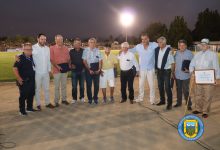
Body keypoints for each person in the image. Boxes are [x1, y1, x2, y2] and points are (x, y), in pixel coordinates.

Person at [189, 38, 220, 118]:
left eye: (205, 44)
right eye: (202, 44)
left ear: (208, 45)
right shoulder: (197, 54)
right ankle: (198, 109)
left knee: (207, 95)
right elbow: (192, 64)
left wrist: (217, 78)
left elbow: (216, 67)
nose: (203, 46)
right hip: (198, 78)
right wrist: (192, 71)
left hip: (209, 79)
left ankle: (205, 111)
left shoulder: (213, 54)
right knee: (198, 95)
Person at [129, 33, 158, 104]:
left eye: (145, 39)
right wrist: (123, 50)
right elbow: (131, 50)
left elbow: (162, 44)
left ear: (148, 39)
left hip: (151, 69)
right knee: (141, 85)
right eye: (142, 39)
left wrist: (170, 49)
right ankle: (140, 98)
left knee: (152, 85)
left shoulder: (153, 44)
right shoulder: (138, 46)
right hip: (142, 69)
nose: (144, 40)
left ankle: (152, 100)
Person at [32, 34, 55, 110]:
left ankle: (47, 103)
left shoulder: (47, 48)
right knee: (37, 89)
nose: (43, 41)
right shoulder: (33, 47)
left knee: (47, 89)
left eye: (44, 39)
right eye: (42, 39)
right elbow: (27, 55)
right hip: (37, 72)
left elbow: (48, 60)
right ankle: (38, 104)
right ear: (38, 39)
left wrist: (49, 70)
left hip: (45, 72)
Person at [13, 43, 36, 116]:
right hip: (24, 80)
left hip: (32, 79)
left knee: (31, 94)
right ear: (23, 50)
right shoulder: (20, 57)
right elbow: (14, 68)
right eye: (27, 49)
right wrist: (19, 79)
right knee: (23, 95)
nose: (29, 51)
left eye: (30, 49)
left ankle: (29, 108)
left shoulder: (32, 57)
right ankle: (22, 110)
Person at [50, 35, 70, 107]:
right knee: (57, 87)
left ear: (62, 40)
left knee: (64, 85)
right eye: (58, 40)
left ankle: (64, 99)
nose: (59, 41)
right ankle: (56, 101)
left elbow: (68, 58)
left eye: (61, 40)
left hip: (64, 69)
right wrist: (57, 67)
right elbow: (51, 59)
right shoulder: (52, 48)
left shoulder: (66, 48)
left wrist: (69, 65)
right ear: (55, 40)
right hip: (56, 70)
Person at [155, 37, 175, 110]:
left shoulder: (169, 51)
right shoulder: (157, 49)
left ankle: (169, 104)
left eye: (160, 42)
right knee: (160, 87)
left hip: (167, 71)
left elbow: (173, 63)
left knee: (167, 88)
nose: (158, 44)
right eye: (158, 42)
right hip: (159, 71)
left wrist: (172, 73)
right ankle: (162, 101)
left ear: (164, 43)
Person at [173, 40, 193, 110]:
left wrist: (190, 70)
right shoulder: (176, 53)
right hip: (177, 75)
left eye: (183, 45)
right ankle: (179, 103)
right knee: (178, 90)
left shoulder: (190, 53)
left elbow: (193, 64)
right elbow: (173, 62)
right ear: (178, 46)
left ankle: (189, 104)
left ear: (186, 46)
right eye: (180, 45)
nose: (181, 47)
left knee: (186, 90)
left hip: (186, 76)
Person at [82, 38, 102, 104]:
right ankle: (90, 98)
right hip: (88, 70)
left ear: (95, 43)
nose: (92, 44)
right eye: (91, 42)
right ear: (88, 43)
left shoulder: (98, 50)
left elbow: (100, 60)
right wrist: (89, 69)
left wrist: (99, 69)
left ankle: (95, 97)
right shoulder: (85, 50)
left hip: (96, 69)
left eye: (93, 42)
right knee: (89, 85)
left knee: (96, 85)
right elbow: (84, 61)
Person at [69, 38, 85, 104]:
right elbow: (69, 60)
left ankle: (82, 97)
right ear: (74, 44)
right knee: (74, 86)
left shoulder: (84, 51)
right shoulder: (71, 51)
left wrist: (85, 68)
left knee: (82, 86)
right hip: (74, 72)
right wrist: (70, 65)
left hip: (82, 71)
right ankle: (74, 98)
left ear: (80, 44)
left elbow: (86, 60)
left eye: (79, 43)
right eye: (76, 43)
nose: (77, 44)